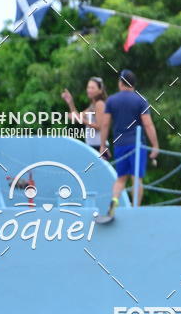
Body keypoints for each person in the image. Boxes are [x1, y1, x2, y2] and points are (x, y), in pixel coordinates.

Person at [99, 70, 159, 218]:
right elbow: (148, 124)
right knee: (136, 178)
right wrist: (155, 145)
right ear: (133, 84)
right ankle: (135, 208)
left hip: (119, 144)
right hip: (137, 145)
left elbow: (105, 124)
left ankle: (114, 201)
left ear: (121, 83)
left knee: (121, 178)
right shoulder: (141, 100)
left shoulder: (111, 100)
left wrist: (103, 145)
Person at [61, 76, 107, 152]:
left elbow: (99, 126)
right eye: (88, 87)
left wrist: (82, 120)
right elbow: (78, 117)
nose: (89, 90)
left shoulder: (100, 104)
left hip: (99, 146)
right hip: (92, 145)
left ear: (100, 90)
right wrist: (70, 102)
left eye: (92, 88)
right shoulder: (92, 105)